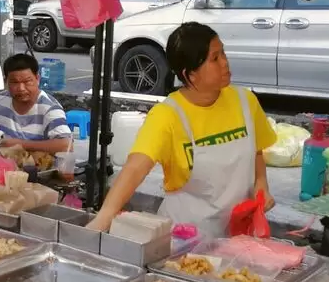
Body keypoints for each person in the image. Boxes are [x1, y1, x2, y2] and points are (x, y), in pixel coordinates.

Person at [89, 22, 277, 238]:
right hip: (186, 240)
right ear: (190, 75)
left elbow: (256, 152)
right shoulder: (168, 115)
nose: (225, 63)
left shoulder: (245, 102)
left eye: (223, 53)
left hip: (239, 236)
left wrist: (261, 184)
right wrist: (104, 217)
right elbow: (135, 169)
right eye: (214, 59)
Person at [0, 53, 72, 153]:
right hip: (4, 167)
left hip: (40, 169)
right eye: (15, 82)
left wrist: (20, 145)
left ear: (37, 79)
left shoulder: (50, 108)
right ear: (6, 82)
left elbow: (66, 145)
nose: (21, 88)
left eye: (27, 81)